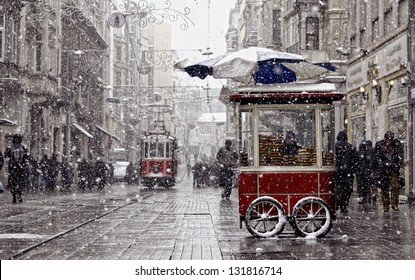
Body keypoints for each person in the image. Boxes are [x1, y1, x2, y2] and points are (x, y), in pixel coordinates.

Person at [374, 131, 400, 212]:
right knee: (384, 188)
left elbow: (400, 156)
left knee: (395, 187)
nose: (389, 142)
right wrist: (383, 164)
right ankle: (386, 205)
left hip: (393, 169)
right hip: (384, 170)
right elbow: (377, 157)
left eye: (391, 140)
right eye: (388, 140)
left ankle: (394, 204)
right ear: (385, 139)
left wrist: (396, 165)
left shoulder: (397, 145)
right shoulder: (379, 145)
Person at [334, 131, 358, 213]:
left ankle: (337, 204)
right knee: (347, 189)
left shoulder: (335, 146)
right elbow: (356, 160)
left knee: (338, 188)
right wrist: (352, 169)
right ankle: (344, 205)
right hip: (348, 172)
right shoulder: (351, 147)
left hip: (338, 171)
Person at [3, 134, 28, 203]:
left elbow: (5, 155)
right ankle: (19, 195)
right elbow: (26, 157)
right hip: (20, 168)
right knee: (20, 182)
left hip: (13, 168)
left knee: (13, 183)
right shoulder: (22, 147)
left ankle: (14, 195)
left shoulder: (10, 147)